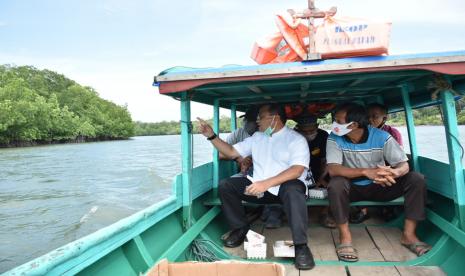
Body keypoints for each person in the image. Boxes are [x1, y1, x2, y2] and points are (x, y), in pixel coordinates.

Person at [197, 104, 315, 270]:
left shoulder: (296, 139)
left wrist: (266, 183)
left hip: (285, 188)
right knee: (226, 185)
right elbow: (231, 152)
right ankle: (240, 228)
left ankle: (301, 246)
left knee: (294, 189)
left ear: (275, 118)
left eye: (261, 116)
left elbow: (297, 170)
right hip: (260, 188)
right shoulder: (258, 137)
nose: (257, 120)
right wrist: (211, 136)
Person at [326, 103, 430, 262]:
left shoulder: (382, 137)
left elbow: (404, 164)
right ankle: (345, 238)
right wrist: (365, 172)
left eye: (338, 121)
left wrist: (395, 172)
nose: (334, 125)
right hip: (352, 188)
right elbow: (333, 169)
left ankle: (409, 235)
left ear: (353, 124)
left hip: (381, 185)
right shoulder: (334, 137)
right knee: (336, 184)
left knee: (416, 179)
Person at [351, 103, 404, 224]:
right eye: (367, 116)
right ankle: (363, 210)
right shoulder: (359, 132)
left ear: (384, 118)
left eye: (374, 117)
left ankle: (387, 207)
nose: (370, 120)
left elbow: (396, 158)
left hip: (385, 168)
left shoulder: (392, 133)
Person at [295, 115, 336, 229]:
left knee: (334, 181)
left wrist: (321, 179)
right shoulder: (293, 136)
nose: (308, 133)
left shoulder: (323, 136)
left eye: (311, 130)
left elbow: (326, 160)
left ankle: (324, 213)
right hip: (299, 170)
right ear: (298, 129)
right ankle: (298, 215)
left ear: (317, 126)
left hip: (320, 169)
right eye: (305, 131)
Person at [220, 106, 259, 176]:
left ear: (257, 122)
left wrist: (252, 160)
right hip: (244, 172)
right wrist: (238, 158)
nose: (244, 121)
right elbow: (220, 154)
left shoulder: (266, 135)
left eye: (248, 120)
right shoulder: (239, 132)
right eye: (245, 119)